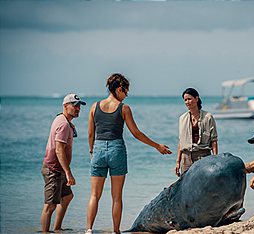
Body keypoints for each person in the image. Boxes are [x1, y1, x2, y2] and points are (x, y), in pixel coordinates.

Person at [86, 73, 172, 234]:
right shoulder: (123, 108)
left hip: (97, 149)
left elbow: (90, 134)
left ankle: (89, 230)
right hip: (116, 150)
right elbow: (136, 133)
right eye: (126, 92)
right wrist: (156, 146)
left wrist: (92, 151)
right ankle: (116, 231)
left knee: (94, 195)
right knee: (116, 196)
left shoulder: (94, 107)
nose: (126, 96)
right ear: (119, 89)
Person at [40, 93, 86, 233]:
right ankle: (45, 232)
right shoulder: (64, 124)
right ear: (65, 106)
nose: (77, 108)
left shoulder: (61, 118)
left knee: (67, 197)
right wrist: (68, 173)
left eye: (79, 106)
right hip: (54, 169)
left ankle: (57, 228)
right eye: (74, 105)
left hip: (58, 168)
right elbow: (59, 150)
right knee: (50, 206)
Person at [175, 88, 218, 176]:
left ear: (196, 98)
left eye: (189, 99)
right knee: (185, 187)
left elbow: (214, 140)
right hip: (186, 158)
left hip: (203, 156)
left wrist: (215, 159)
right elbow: (181, 141)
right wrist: (178, 162)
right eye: (185, 100)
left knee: (204, 185)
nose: (187, 102)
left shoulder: (208, 117)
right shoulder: (182, 118)